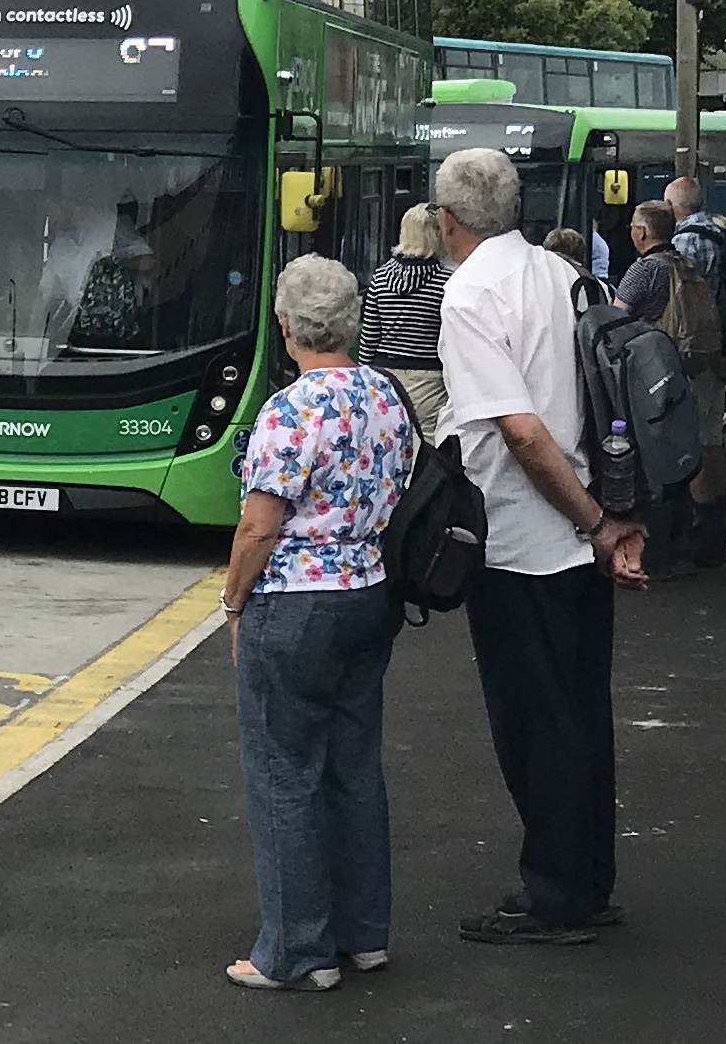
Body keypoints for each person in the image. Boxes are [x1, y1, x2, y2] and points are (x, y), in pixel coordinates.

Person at [432, 147, 647, 946]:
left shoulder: (471, 293)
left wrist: (590, 521)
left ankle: (554, 895)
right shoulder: (564, 276)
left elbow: (518, 430)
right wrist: (610, 520)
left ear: (446, 220)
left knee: (534, 722)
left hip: (523, 540)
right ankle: (588, 880)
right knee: (583, 713)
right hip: (583, 536)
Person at [222, 254, 414, 992]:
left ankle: (296, 948)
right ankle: (363, 932)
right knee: (352, 767)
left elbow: (257, 527)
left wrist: (233, 602)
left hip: (293, 601)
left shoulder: (289, 409)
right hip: (367, 591)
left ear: (286, 325)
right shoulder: (384, 396)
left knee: (282, 773)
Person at [610, 200, 721, 577]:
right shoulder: (683, 265)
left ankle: (661, 550)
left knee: (653, 459)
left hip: (654, 373)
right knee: (686, 451)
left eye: (632, 227)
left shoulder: (644, 270)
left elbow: (615, 317)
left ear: (641, 233)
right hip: (687, 368)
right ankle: (693, 541)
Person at [661, 177, 726, 563]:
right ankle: (722, 515)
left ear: (675, 205)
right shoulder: (717, 231)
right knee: (713, 438)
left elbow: (683, 304)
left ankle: (707, 528)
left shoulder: (686, 242)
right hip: (720, 350)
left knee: (699, 439)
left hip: (699, 355)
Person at [358, 204, 450, 429]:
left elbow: (369, 338)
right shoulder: (446, 283)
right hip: (429, 382)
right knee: (427, 448)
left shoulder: (380, 277)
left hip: (383, 378)